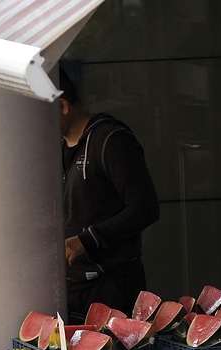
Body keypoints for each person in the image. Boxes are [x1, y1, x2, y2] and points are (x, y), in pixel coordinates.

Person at [59, 70, 159, 320]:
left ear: (62, 106)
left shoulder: (111, 140)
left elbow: (145, 207)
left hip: (113, 287)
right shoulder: (56, 148)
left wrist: (86, 240)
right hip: (73, 289)